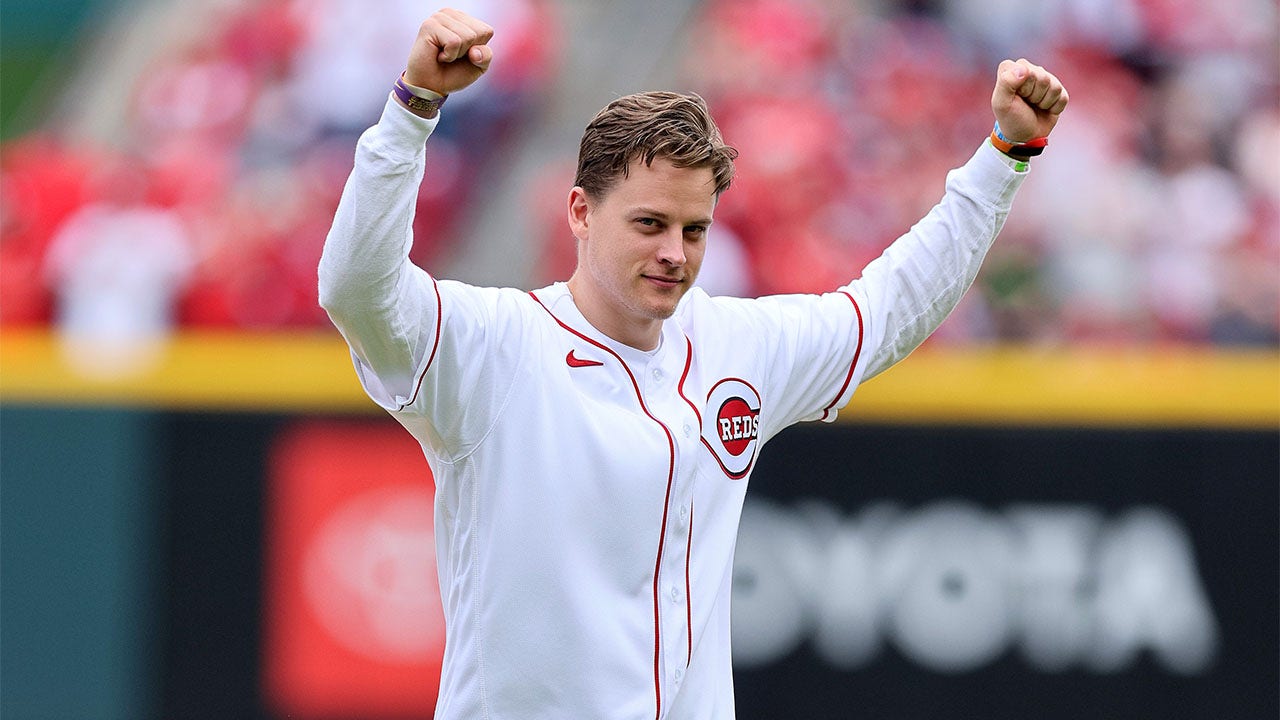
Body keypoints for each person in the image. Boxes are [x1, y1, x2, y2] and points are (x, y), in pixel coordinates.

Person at [318, 7, 1068, 719]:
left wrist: (1005, 156)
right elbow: (355, 289)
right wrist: (412, 109)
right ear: (580, 213)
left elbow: (888, 311)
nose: (675, 253)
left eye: (694, 229)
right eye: (649, 224)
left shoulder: (735, 345)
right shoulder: (495, 345)